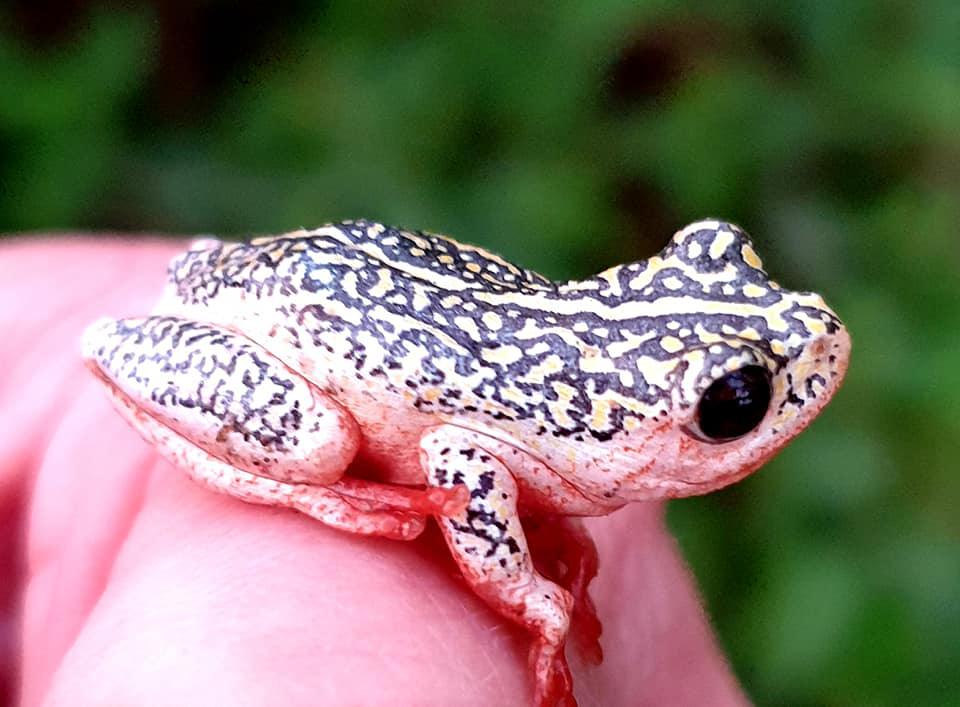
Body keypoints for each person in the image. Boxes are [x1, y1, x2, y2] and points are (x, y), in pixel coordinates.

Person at [2, 238, 748, 706]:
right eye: (735, 399)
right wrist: (521, 589)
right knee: (317, 442)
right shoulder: (568, 423)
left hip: (280, 272)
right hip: (260, 324)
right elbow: (456, 459)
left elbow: (464, 450)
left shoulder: (569, 411)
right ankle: (292, 482)